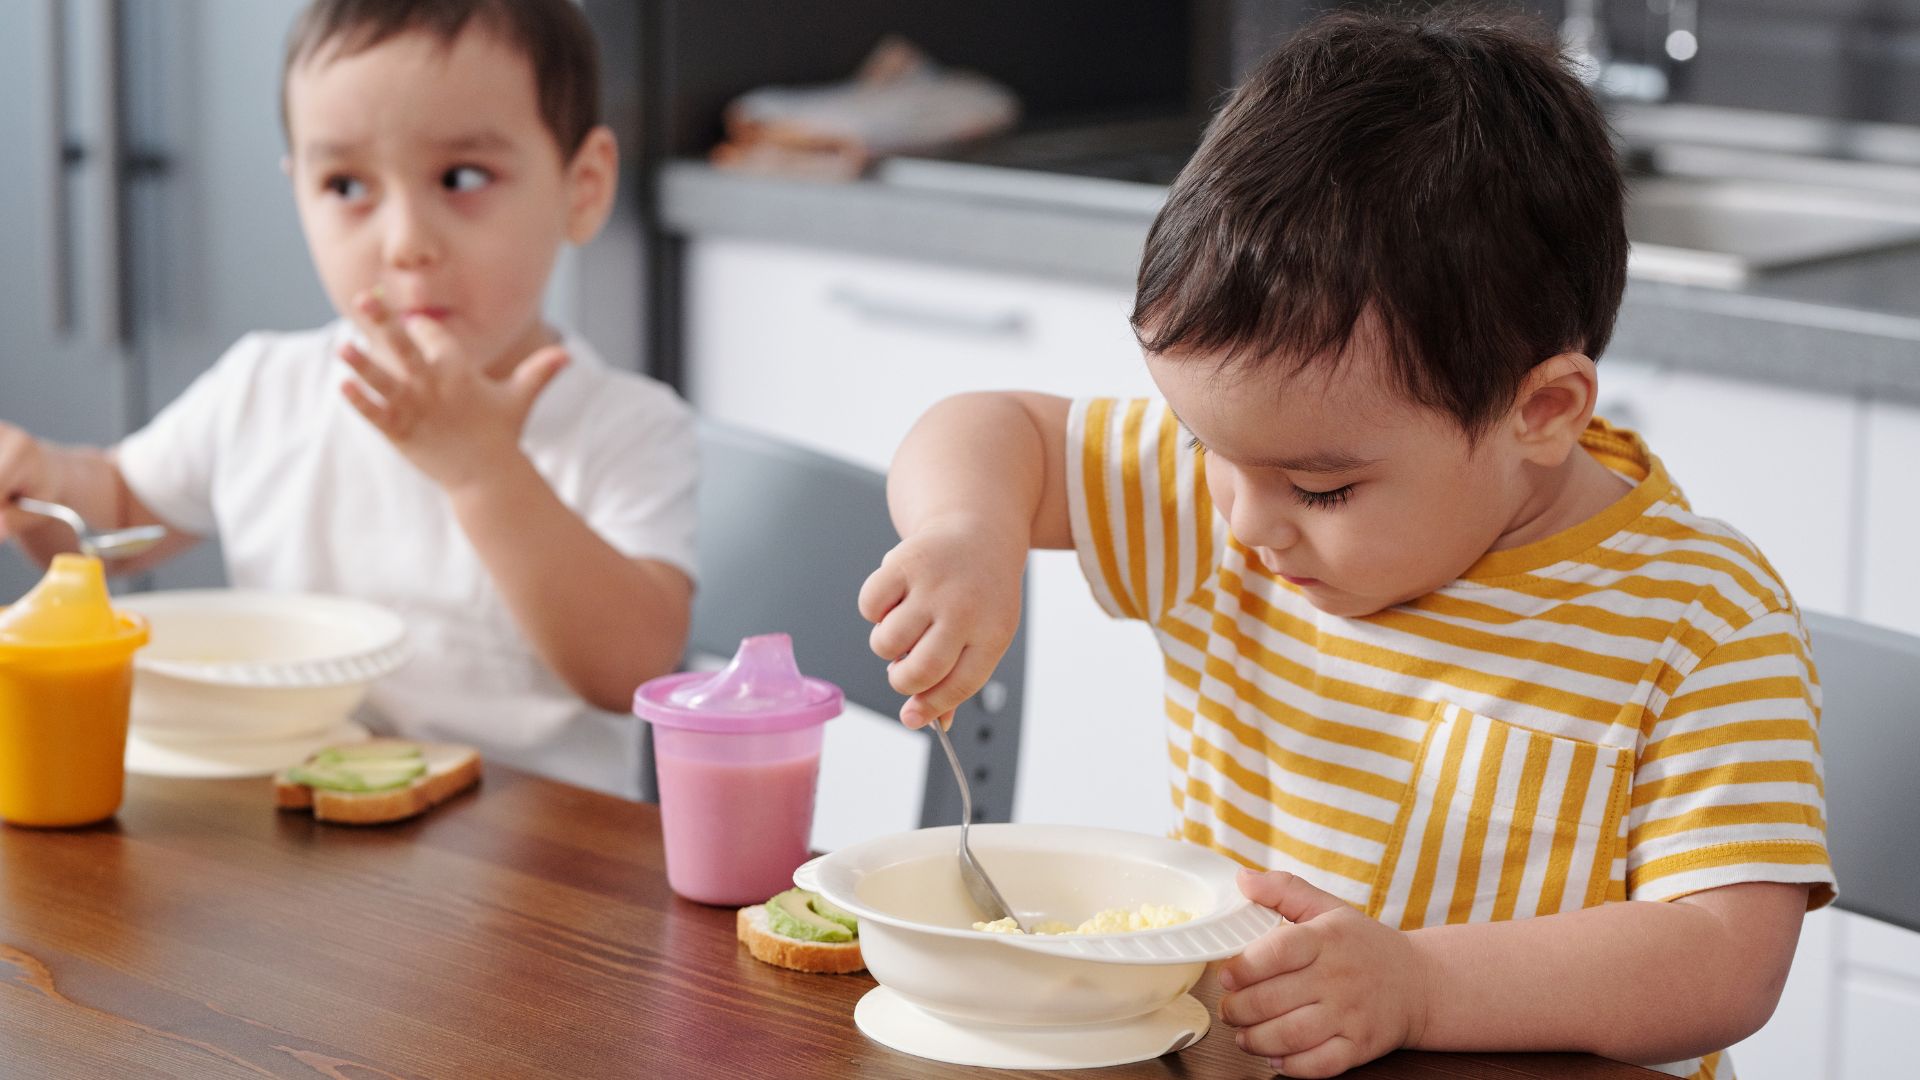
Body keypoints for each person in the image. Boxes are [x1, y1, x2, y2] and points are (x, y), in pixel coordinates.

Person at [858, 10, 1831, 1078]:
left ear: (1542, 412)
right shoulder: (1247, 474)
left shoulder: (1702, 618)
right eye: (1205, 449)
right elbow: (993, 428)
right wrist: (972, 533)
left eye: (1323, 490)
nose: (1243, 520)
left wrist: (1419, 986)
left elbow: (1725, 960)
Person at [0, 0, 695, 796]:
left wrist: (481, 471)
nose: (404, 242)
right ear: (300, 194)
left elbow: (633, 670)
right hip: (293, 848)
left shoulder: (630, 427)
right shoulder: (264, 389)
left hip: (537, 883)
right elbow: (114, 511)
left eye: (462, 178)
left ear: (583, 187)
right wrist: (43, 485)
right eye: (347, 185)